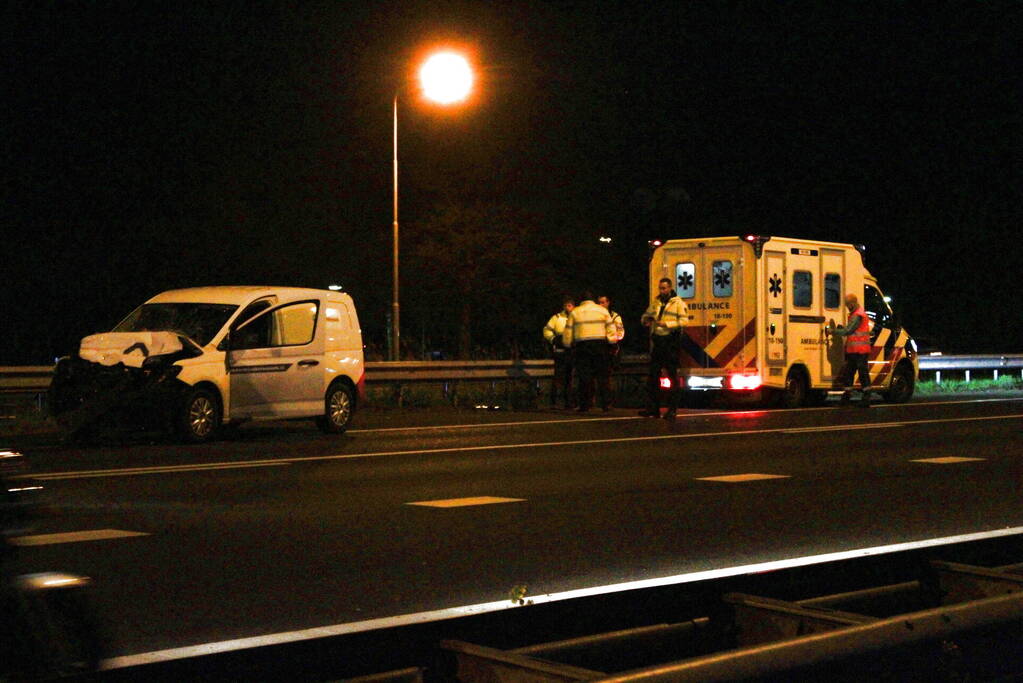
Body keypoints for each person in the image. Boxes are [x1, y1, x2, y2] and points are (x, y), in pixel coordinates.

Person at [640, 277, 688, 419]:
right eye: (660, 288)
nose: (662, 290)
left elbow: (684, 321)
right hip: (658, 342)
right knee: (653, 377)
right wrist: (646, 320)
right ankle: (653, 409)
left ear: (670, 288)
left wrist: (667, 324)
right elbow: (646, 315)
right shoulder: (656, 303)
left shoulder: (678, 303)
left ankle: (672, 409)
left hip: (670, 342)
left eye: (664, 288)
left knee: (673, 377)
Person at [563, 291, 616, 412]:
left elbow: (568, 331)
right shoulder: (602, 310)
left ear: (581, 301)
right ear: (594, 300)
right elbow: (611, 328)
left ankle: (585, 405)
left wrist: (567, 345)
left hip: (582, 346)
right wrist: (612, 342)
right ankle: (606, 404)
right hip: (600, 345)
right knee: (603, 376)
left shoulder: (575, 312)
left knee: (584, 376)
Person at [829, 293, 873, 407]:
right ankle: (847, 396)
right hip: (854, 350)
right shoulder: (855, 314)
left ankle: (866, 397)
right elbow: (851, 331)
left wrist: (833, 331)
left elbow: (848, 331)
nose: (847, 307)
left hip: (860, 350)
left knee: (862, 374)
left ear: (853, 303)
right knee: (849, 373)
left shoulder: (858, 315)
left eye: (848, 305)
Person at [543, 296, 575, 409]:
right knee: (558, 377)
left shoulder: (576, 317)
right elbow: (546, 330)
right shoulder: (557, 318)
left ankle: (568, 402)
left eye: (570, 305)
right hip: (560, 351)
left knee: (569, 378)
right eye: (566, 305)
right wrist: (553, 339)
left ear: (573, 306)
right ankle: (554, 401)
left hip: (571, 351)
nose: (568, 307)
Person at [598, 294, 625, 406]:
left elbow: (620, 332)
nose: (601, 305)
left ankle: (610, 400)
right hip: (599, 347)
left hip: (611, 348)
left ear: (608, 303)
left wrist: (612, 341)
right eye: (599, 302)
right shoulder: (596, 316)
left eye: (603, 302)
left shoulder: (615, 316)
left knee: (609, 375)